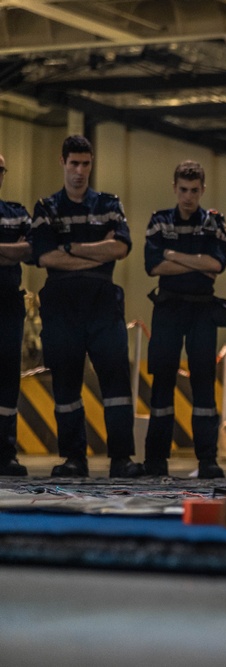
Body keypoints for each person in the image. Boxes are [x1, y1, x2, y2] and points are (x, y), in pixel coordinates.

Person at [28, 135, 143, 477]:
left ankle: (121, 459)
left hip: (103, 305)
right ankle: (73, 458)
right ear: (62, 162)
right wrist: (96, 253)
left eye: (86, 164)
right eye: (74, 163)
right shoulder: (46, 208)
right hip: (62, 306)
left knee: (116, 384)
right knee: (66, 385)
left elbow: (121, 248)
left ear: (91, 164)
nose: (80, 171)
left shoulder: (109, 204)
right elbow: (44, 256)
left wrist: (73, 248)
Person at [142, 161, 226, 479]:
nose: (188, 196)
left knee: (204, 384)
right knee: (161, 384)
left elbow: (216, 265)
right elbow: (152, 266)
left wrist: (171, 254)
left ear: (203, 190)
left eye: (194, 190)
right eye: (183, 190)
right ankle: (155, 461)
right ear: (174, 187)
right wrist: (196, 263)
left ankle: (208, 460)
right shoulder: (159, 221)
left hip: (202, 310)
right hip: (167, 309)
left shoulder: (214, 222)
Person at [0, 153, 31, 476]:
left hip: (8, 304)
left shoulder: (16, 214)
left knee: (8, 379)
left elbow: (31, 250)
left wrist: (16, 252)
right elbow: (18, 251)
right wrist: (10, 251)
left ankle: (6, 451)